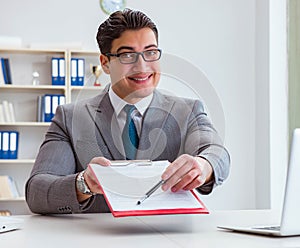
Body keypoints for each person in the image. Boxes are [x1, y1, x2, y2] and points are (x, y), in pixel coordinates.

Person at [26, 9, 230, 214]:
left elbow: (216, 152)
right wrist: (84, 183)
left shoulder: (188, 111)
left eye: (150, 52)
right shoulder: (70, 118)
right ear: (105, 63)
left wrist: (203, 166)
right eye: (127, 55)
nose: (142, 67)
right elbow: (37, 191)